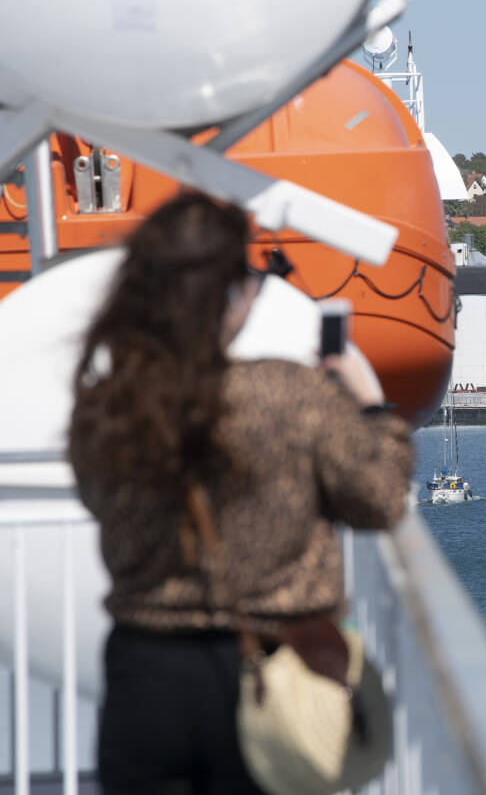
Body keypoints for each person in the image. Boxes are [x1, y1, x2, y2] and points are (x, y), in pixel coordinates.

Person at [69, 191, 413, 794]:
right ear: (229, 296)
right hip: (274, 673)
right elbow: (380, 501)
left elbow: (102, 503)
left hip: (144, 677)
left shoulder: (109, 405)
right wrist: (372, 408)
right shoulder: (290, 394)